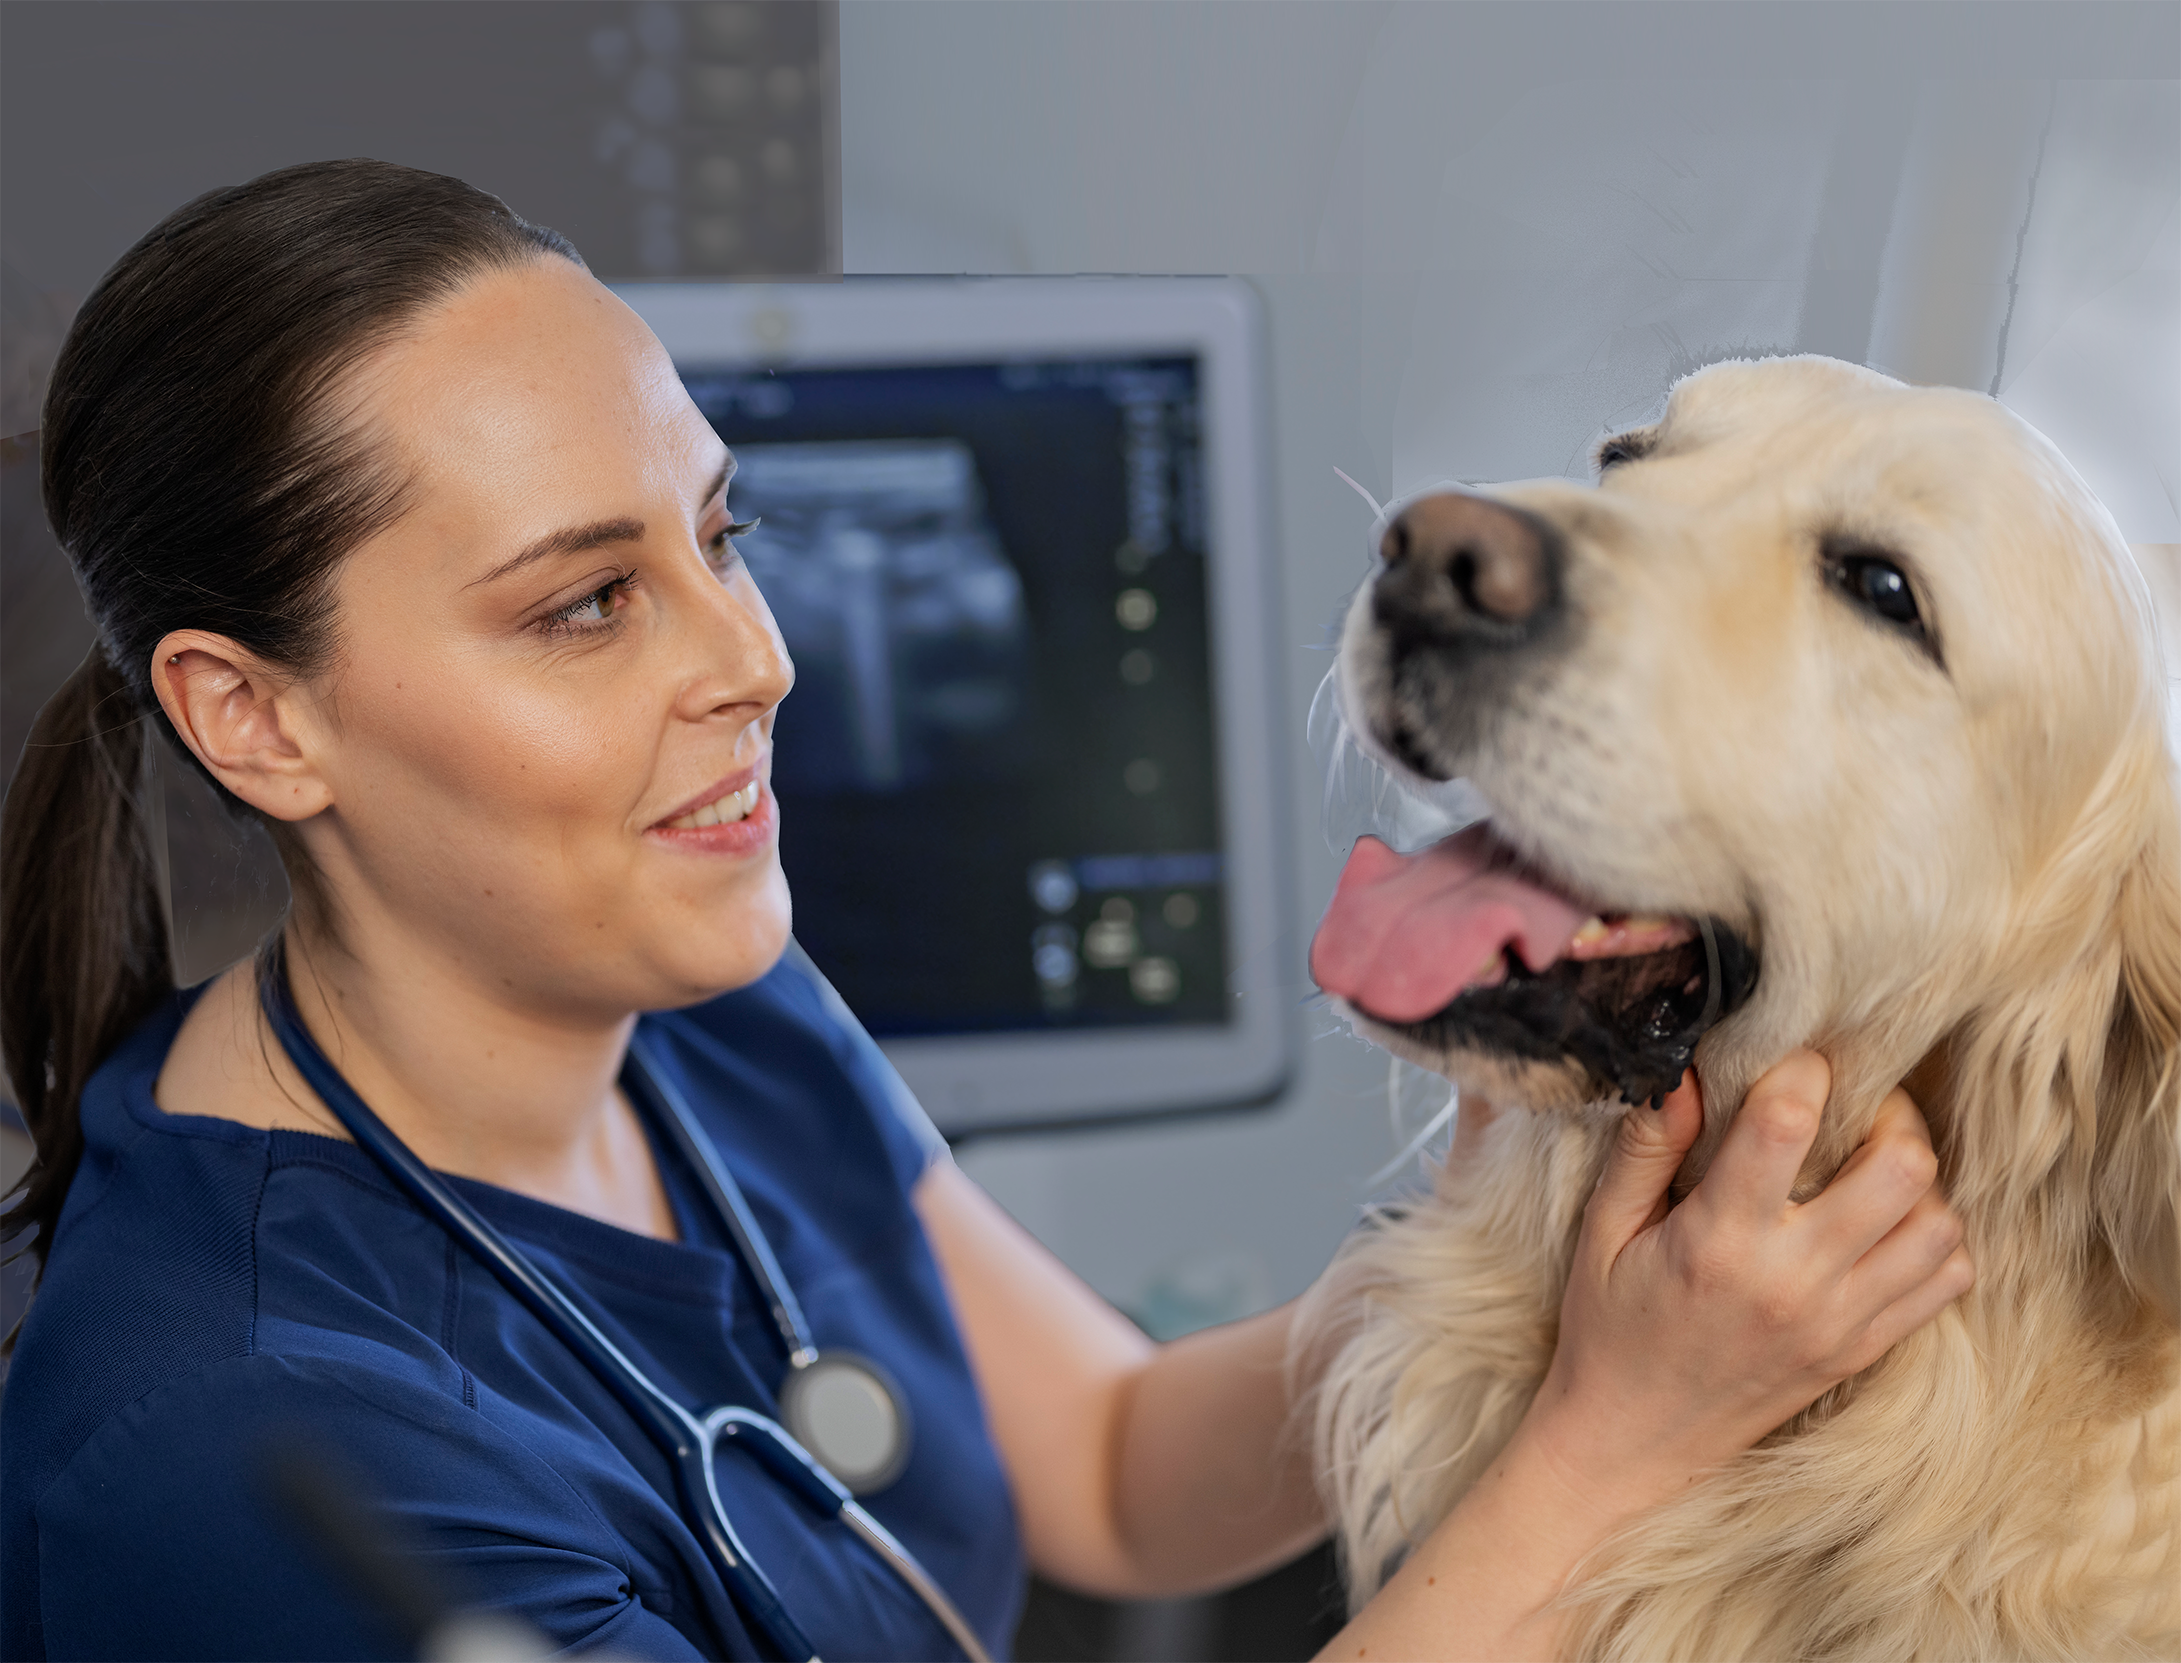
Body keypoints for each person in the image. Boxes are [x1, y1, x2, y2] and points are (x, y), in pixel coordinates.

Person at [0, 160, 1972, 1663]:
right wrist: (1609, 1443)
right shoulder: (254, 1474)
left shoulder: (688, 996)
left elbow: (1107, 1465)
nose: (755, 661)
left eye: (718, 536)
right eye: (586, 606)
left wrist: (1513, 1230)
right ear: (251, 717)